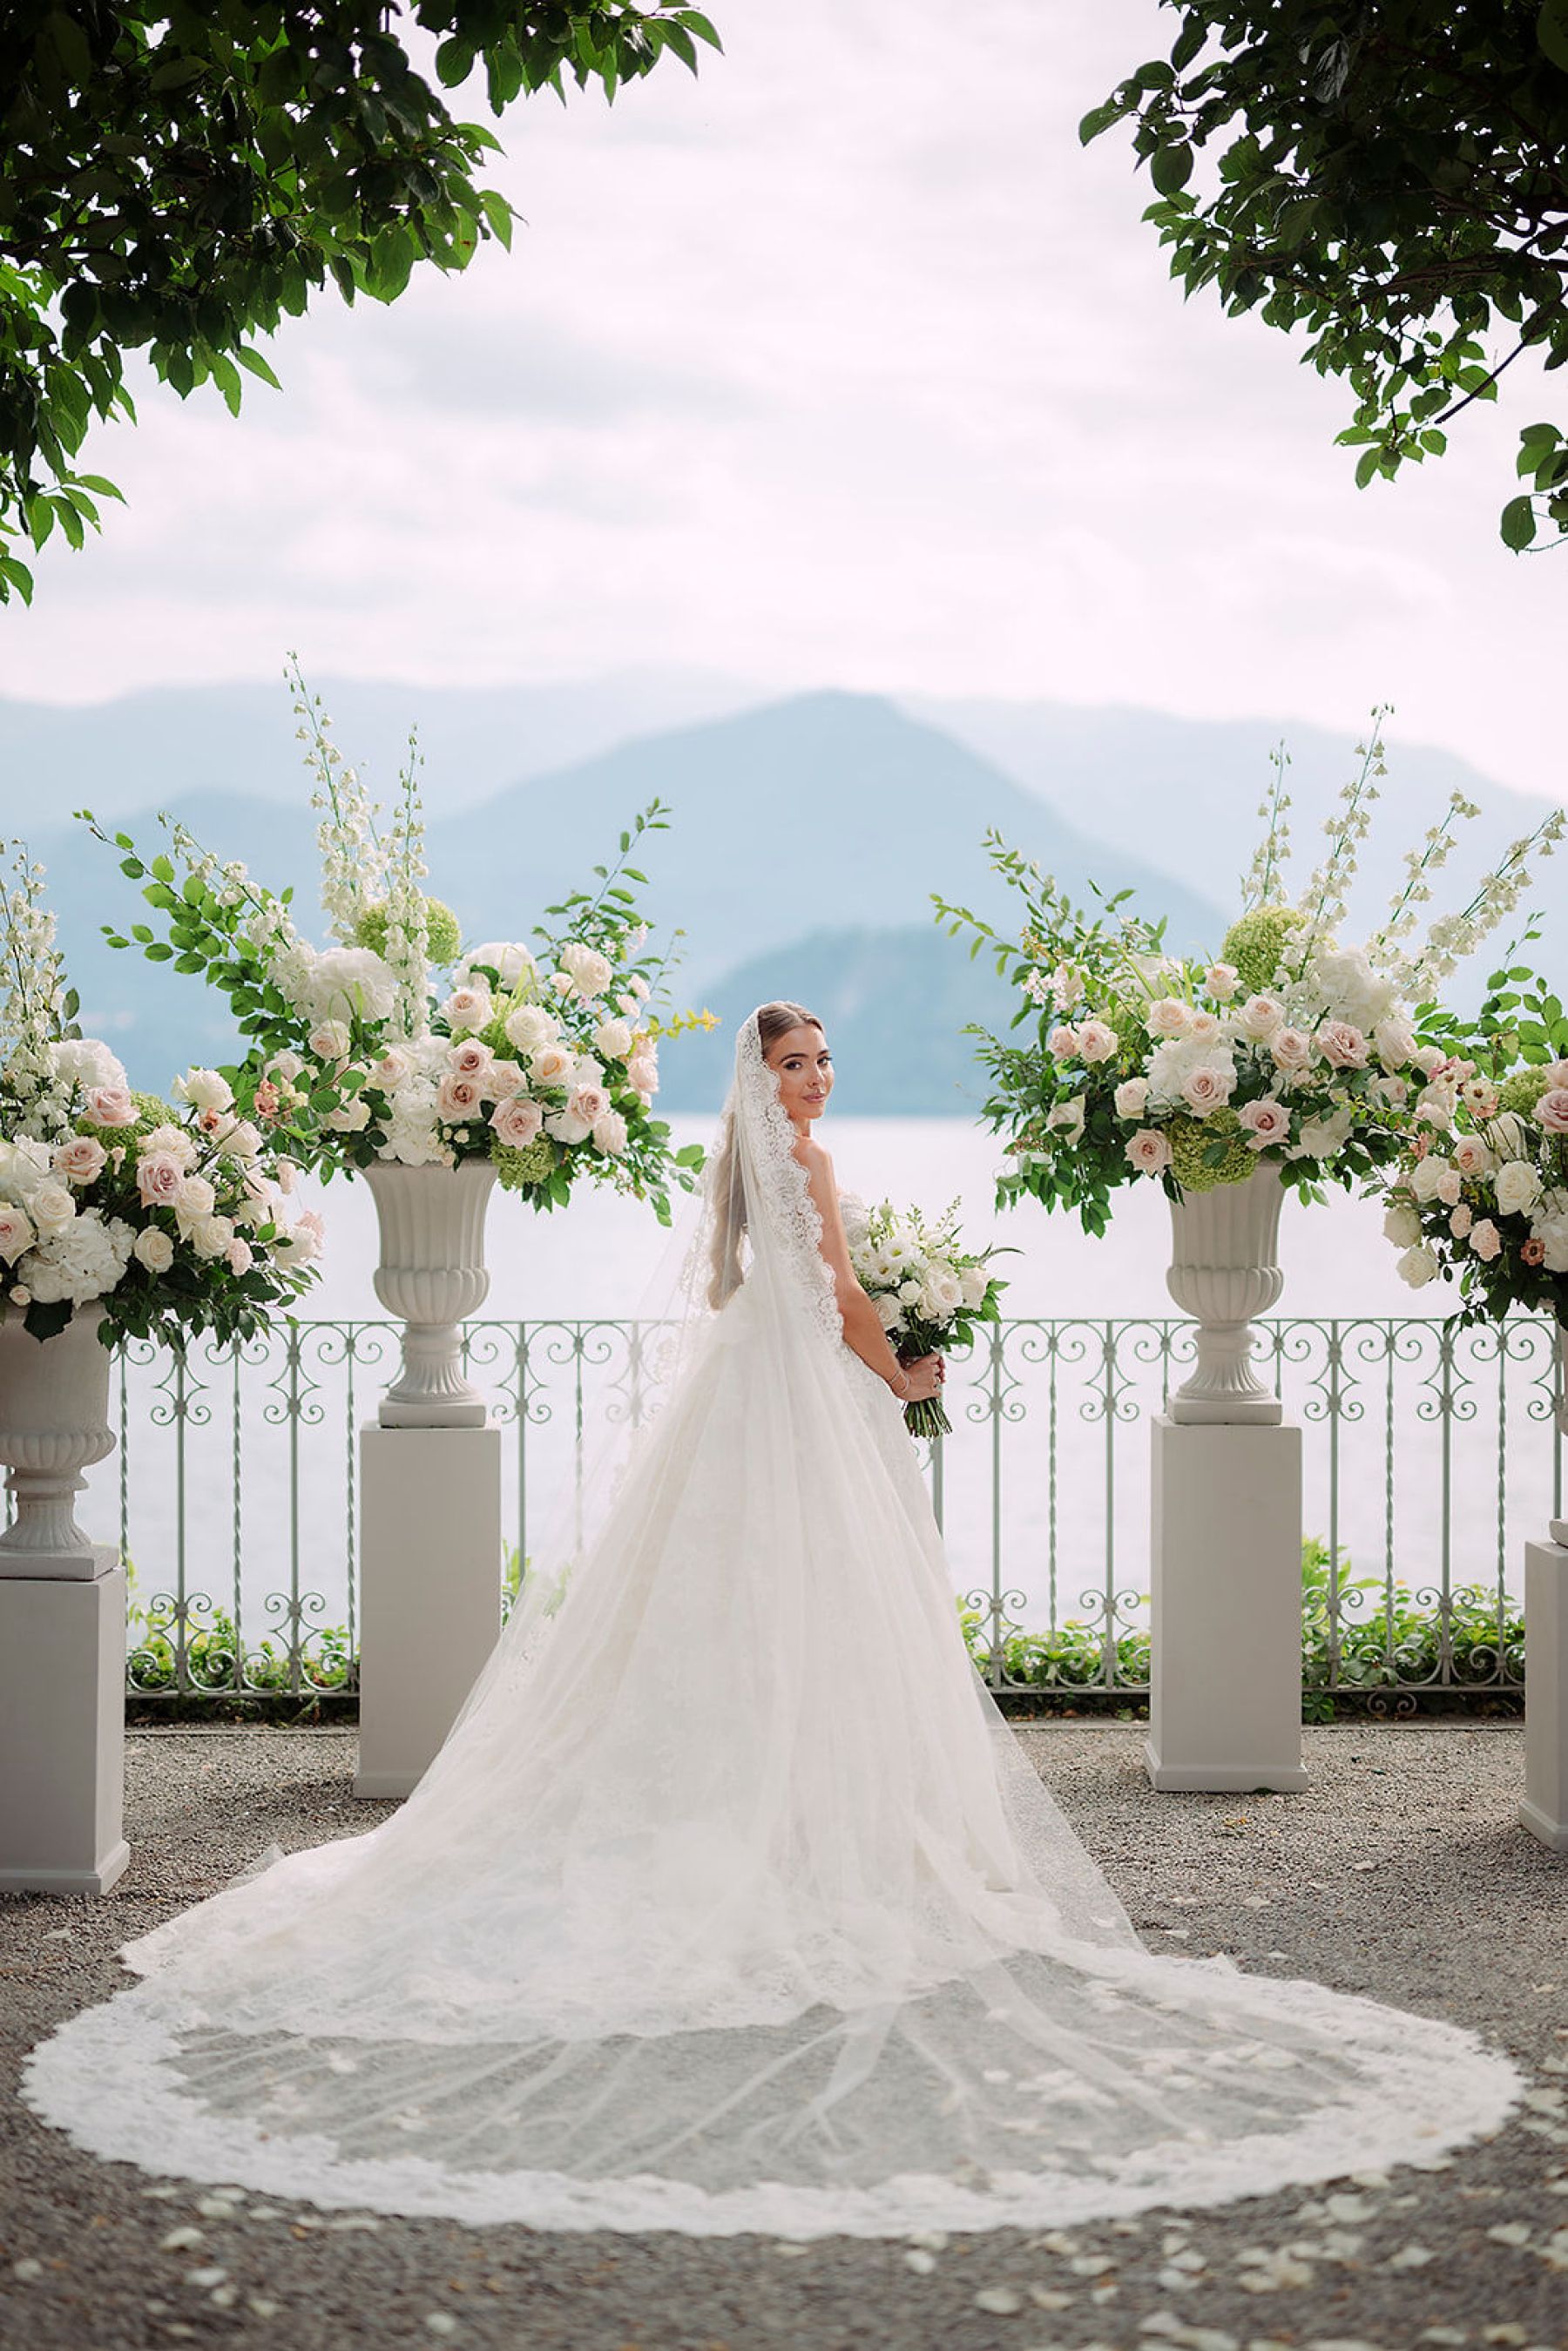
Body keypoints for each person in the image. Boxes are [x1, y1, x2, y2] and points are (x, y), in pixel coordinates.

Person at [24, 1002, 1517, 2236]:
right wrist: (900, 1373)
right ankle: (796, 1813)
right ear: (768, 1079)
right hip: (804, 1388)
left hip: (755, 1378)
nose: (811, 1085)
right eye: (796, 1067)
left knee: (732, 1593)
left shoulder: (749, 1169)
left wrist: (856, 1342)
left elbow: (772, 1284)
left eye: (820, 1069)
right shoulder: (805, 1169)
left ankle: (766, 1786)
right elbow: (851, 1297)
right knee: (803, 1594)